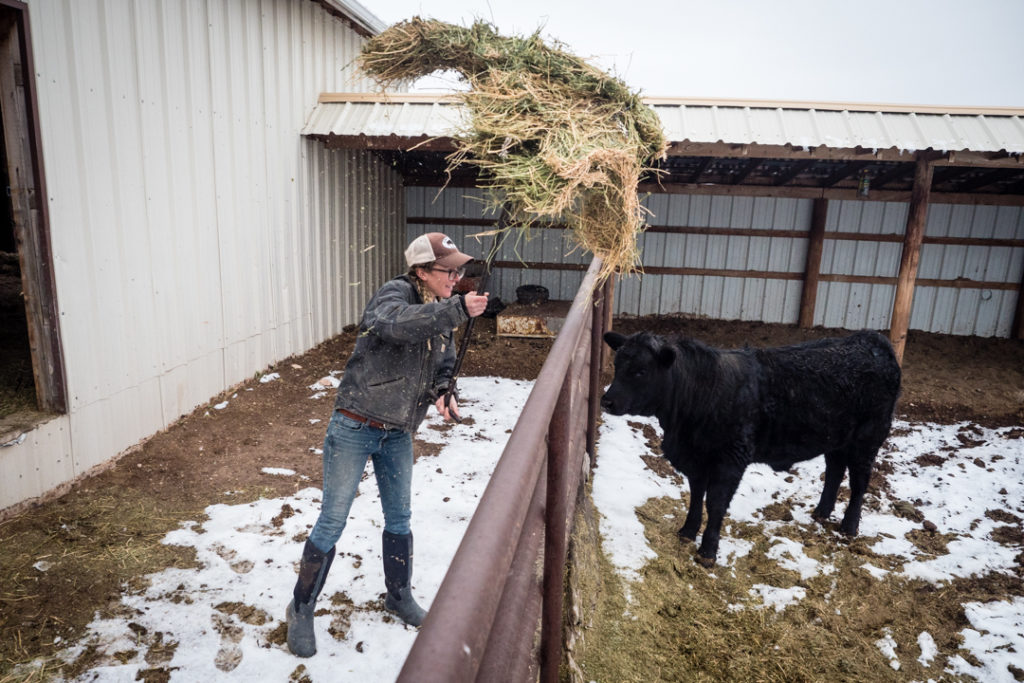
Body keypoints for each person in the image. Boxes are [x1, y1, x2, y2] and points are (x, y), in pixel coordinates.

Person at [286, 232, 489, 658]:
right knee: (332, 520)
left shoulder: (440, 309)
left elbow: (443, 361)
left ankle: (397, 595)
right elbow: (396, 326)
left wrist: (442, 389)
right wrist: (456, 310)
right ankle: (301, 607)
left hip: (398, 431)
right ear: (421, 271)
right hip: (355, 425)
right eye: (448, 270)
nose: (457, 277)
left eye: (459, 270)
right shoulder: (393, 295)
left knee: (400, 518)